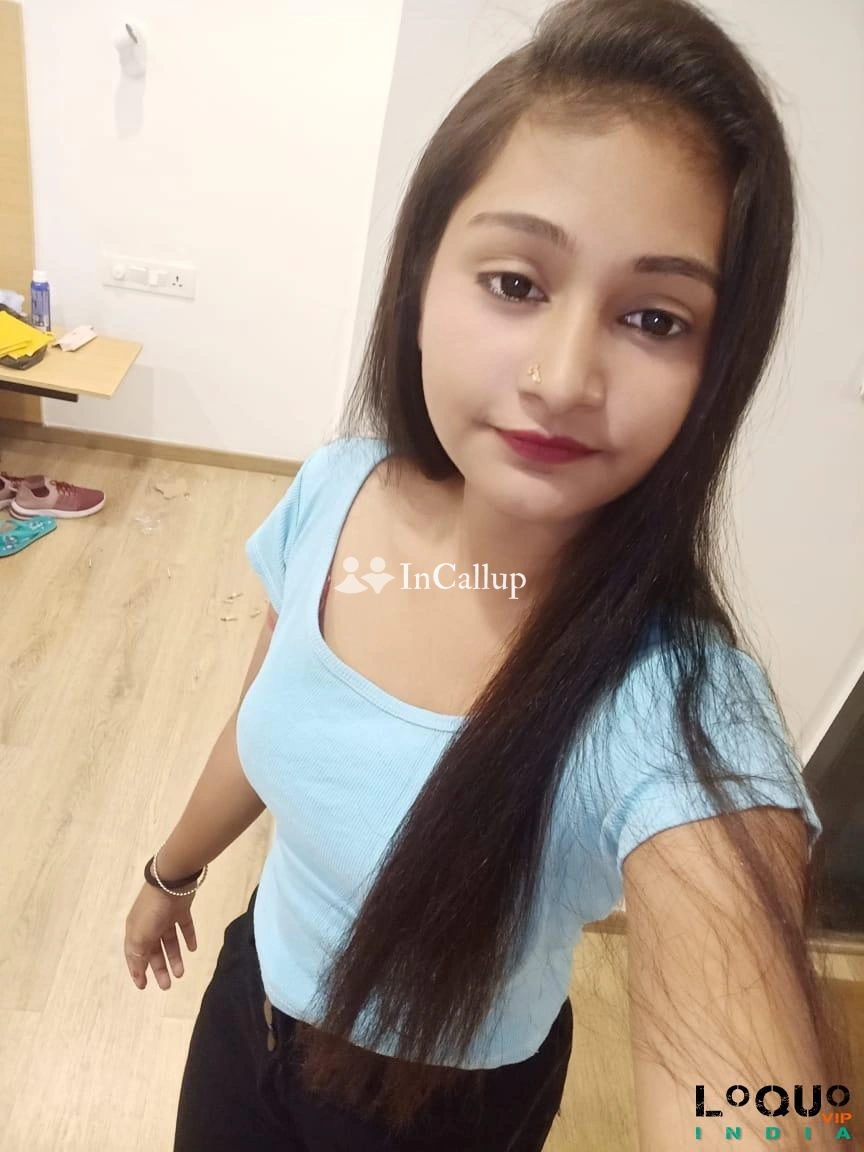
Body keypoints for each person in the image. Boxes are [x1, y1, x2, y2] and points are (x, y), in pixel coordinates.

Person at [124, 0, 855, 1148]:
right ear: (422, 281)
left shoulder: (679, 709)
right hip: (246, 1010)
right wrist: (170, 874)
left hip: (445, 1111)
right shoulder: (335, 493)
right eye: (517, 284)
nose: (564, 378)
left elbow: (761, 1108)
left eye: (654, 317)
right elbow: (264, 716)